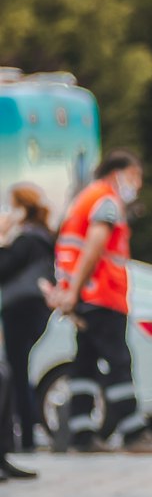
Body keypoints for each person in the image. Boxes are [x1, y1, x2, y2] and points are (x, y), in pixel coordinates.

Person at [45, 150, 152, 453]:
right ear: (119, 173)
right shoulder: (106, 201)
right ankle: (134, 433)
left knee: (85, 364)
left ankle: (81, 434)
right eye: (135, 176)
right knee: (118, 362)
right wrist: (75, 290)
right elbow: (95, 245)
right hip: (101, 295)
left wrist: (70, 290)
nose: (137, 184)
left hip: (86, 295)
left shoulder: (83, 198)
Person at [0, 184, 55, 466]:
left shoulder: (25, 240)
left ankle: (23, 439)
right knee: (18, 372)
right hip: (34, 309)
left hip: (19, 309)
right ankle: (25, 436)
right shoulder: (43, 236)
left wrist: (1, 236)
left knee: (14, 372)